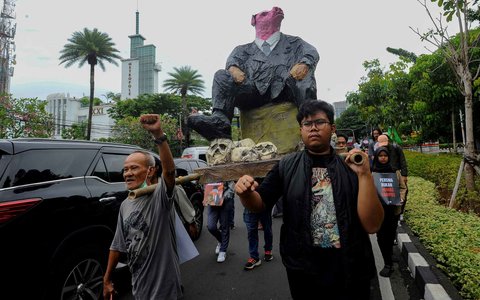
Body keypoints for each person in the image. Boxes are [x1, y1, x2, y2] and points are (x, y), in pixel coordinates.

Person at [235, 100, 384, 300]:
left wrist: (365, 175)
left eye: (319, 122)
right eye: (307, 123)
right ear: (300, 130)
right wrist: (245, 193)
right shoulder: (286, 166)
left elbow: (373, 224)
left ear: (332, 128)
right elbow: (259, 203)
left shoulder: (351, 166)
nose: (313, 128)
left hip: (349, 266)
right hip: (303, 268)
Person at [188, 6, 319, 140]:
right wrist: (233, 68)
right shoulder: (242, 50)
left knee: (305, 77)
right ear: (254, 21)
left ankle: (310, 121)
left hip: (286, 87)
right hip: (252, 92)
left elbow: (311, 52)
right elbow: (232, 62)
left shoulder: (294, 42)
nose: (274, 11)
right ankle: (220, 122)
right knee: (221, 75)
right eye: (264, 14)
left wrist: (305, 62)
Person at [103, 114, 183, 300]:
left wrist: (158, 135)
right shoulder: (125, 205)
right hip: (139, 289)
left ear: (150, 170)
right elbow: (117, 246)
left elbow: (170, 173)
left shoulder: (160, 197)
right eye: (126, 169)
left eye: (134, 168)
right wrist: (107, 279)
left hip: (166, 292)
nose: (128, 174)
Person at [371, 146, 407, 277]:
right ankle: (387, 263)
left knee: (391, 235)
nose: (383, 158)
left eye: (385, 155)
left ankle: (390, 255)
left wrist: (401, 197)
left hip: (393, 210)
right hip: (379, 212)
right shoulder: (372, 174)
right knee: (381, 237)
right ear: (376, 157)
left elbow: (403, 187)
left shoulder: (395, 172)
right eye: (380, 156)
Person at [376, 134, 408, 218]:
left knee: (402, 191)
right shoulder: (379, 150)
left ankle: (400, 211)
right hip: (383, 175)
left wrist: (404, 175)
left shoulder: (396, 148)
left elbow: (403, 161)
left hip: (396, 174)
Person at [207, 181, 235, 263]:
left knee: (224, 226)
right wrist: (208, 194)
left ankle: (223, 250)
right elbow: (205, 185)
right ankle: (221, 241)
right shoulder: (208, 171)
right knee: (211, 226)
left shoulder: (227, 170)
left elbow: (232, 186)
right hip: (212, 200)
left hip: (225, 201)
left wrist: (222, 197)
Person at [243, 200, 274, 270]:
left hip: (264, 203)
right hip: (250, 204)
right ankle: (254, 257)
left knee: (267, 229)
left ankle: (268, 249)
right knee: (251, 231)